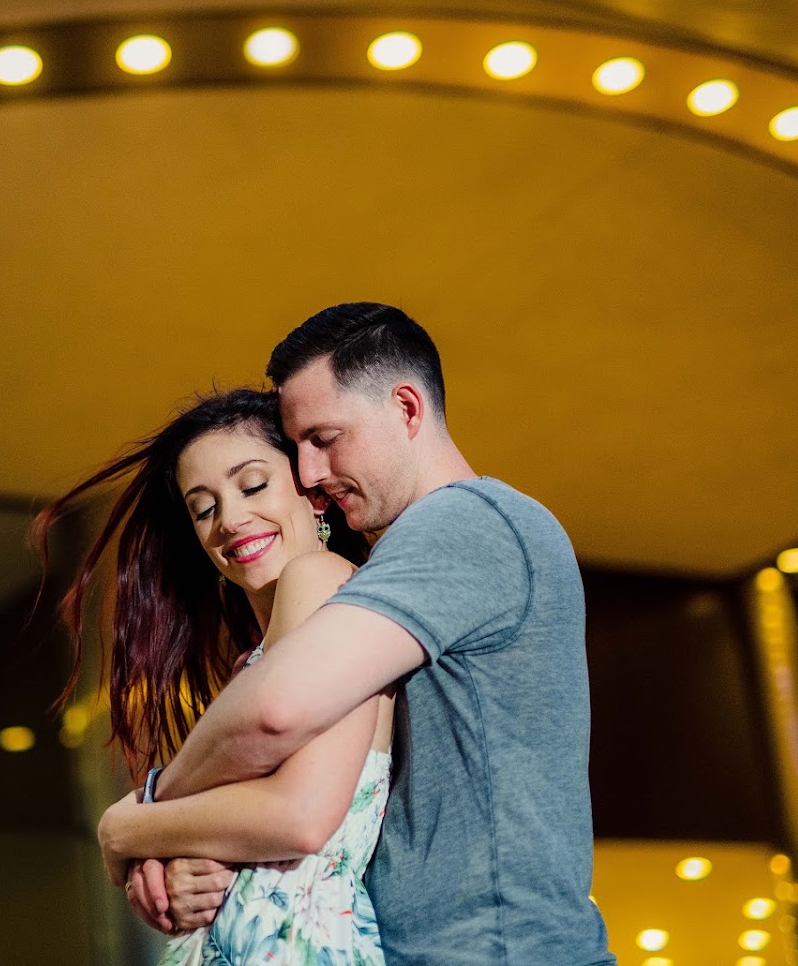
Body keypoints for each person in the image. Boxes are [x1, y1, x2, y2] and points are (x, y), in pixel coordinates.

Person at [129, 303, 615, 966]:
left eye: (324, 438)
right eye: (298, 446)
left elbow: (278, 721)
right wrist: (182, 853)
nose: (310, 472)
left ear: (407, 409)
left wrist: (140, 818)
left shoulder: (465, 523)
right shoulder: (394, 572)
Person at [33, 387, 397, 964]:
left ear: (314, 494)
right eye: (204, 509)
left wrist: (125, 829)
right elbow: (236, 823)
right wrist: (173, 865)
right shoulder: (248, 664)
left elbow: (298, 816)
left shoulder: (321, 578)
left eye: (253, 485)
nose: (230, 519)